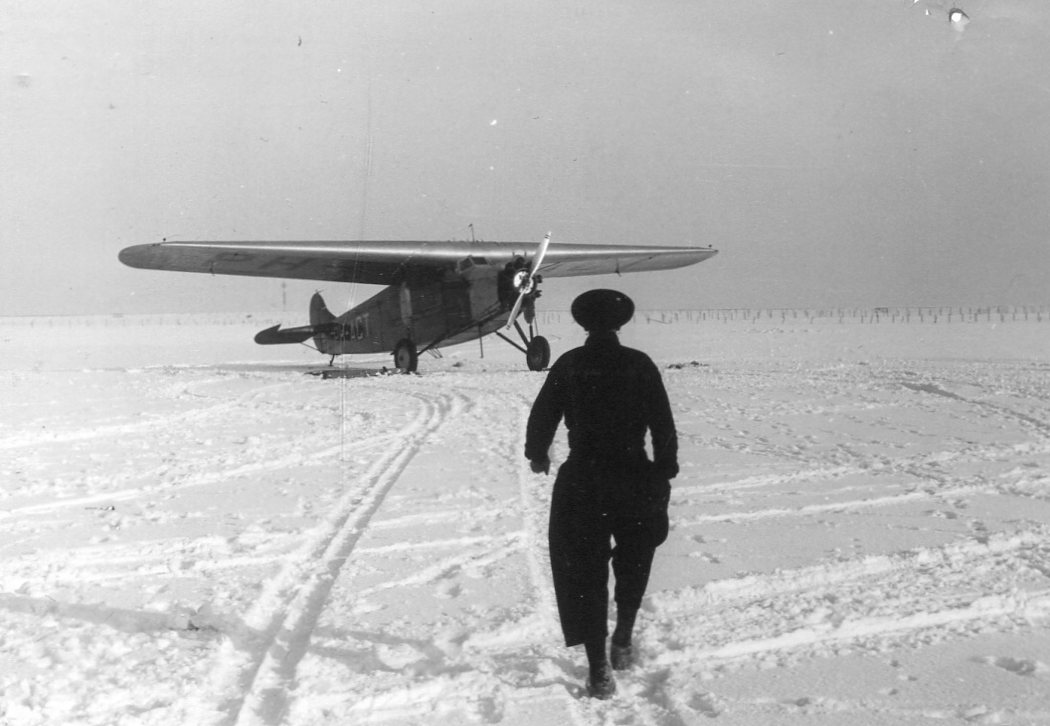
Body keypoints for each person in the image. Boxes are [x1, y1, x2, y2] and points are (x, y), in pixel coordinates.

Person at [525, 289, 678, 699]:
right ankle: (623, 638)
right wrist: (663, 472)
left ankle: (598, 670)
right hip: (634, 477)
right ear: (619, 324)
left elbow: (542, 415)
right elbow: (663, 424)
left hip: (583, 480)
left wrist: (537, 455)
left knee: (583, 572)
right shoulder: (639, 364)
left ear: (583, 324)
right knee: (635, 560)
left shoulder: (570, 364)